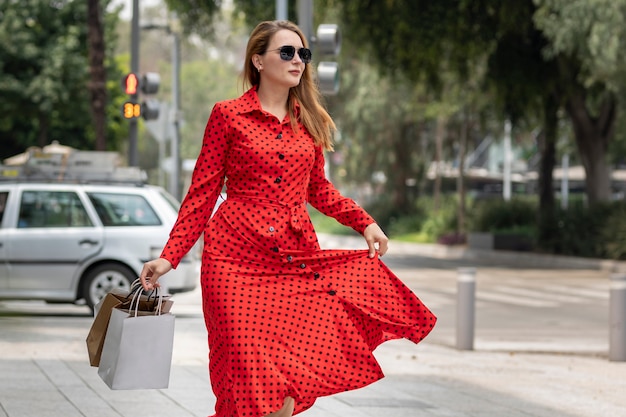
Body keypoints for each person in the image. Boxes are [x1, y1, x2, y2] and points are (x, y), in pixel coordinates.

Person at [139, 20, 436, 417]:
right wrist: (169, 257)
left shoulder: (309, 121)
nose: (297, 60)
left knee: (286, 389)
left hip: (292, 260)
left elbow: (319, 190)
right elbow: (201, 194)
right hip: (233, 260)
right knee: (245, 376)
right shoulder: (227, 116)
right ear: (258, 60)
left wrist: (364, 222)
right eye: (287, 52)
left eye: (303, 53)